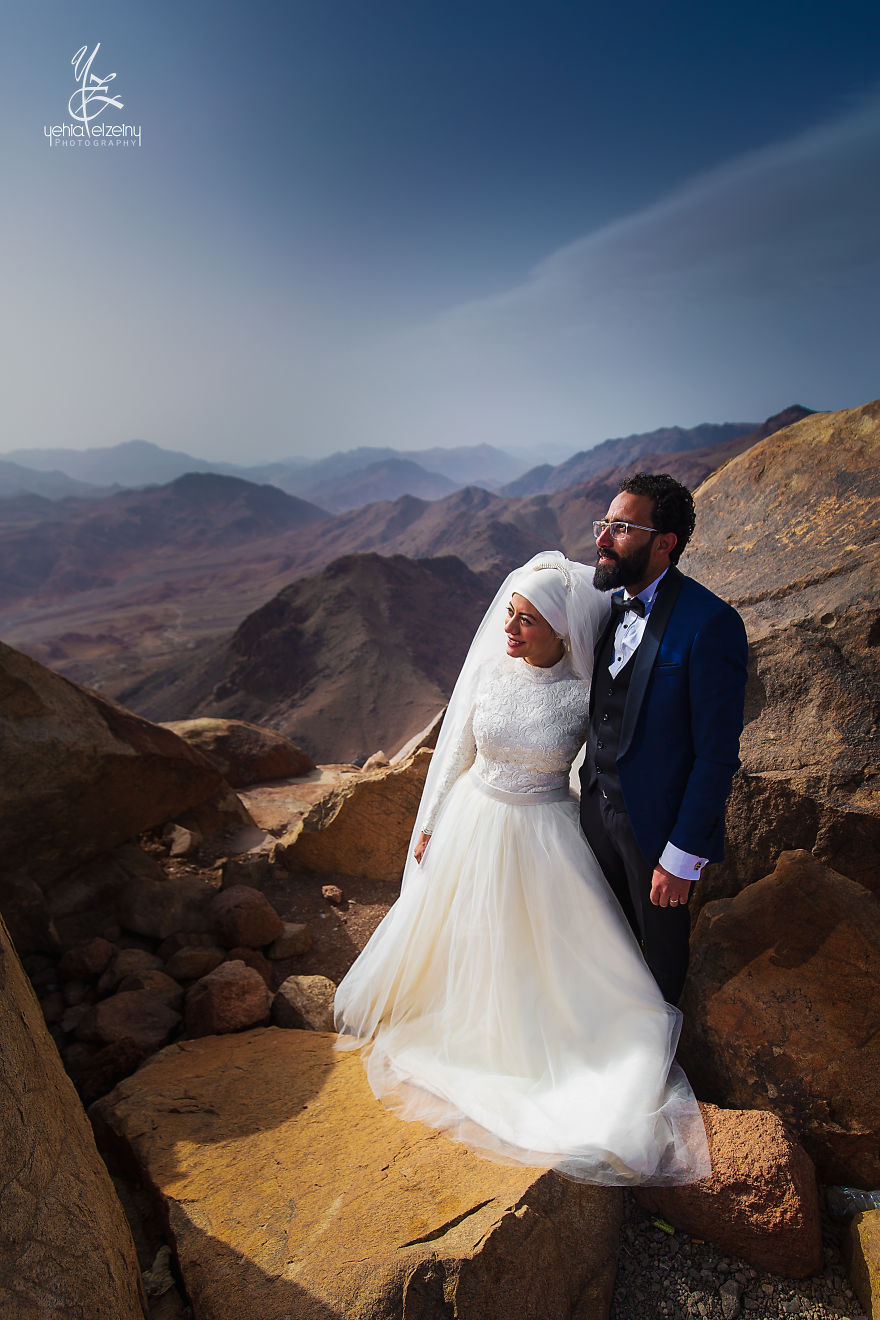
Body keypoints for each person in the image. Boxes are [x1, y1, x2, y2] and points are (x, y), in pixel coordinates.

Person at [334, 551, 710, 1186]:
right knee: (468, 940)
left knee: (542, 958)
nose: (509, 629)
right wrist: (429, 823)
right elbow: (455, 750)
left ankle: (556, 1051)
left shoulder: (580, 694)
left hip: (544, 836)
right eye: (509, 613)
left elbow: (610, 766)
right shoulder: (490, 672)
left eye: (527, 620)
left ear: (562, 632)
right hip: (473, 824)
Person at [581, 473, 748, 1006]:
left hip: (656, 839)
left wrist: (680, 858)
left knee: (659, 968)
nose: (603, 538)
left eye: (621, 528)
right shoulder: (603, 608)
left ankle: (656, 1072)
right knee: (602, 953)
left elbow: (717, 754)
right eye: (604, 524)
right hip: (592, 817)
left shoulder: (711, 623)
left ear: (664, 543)